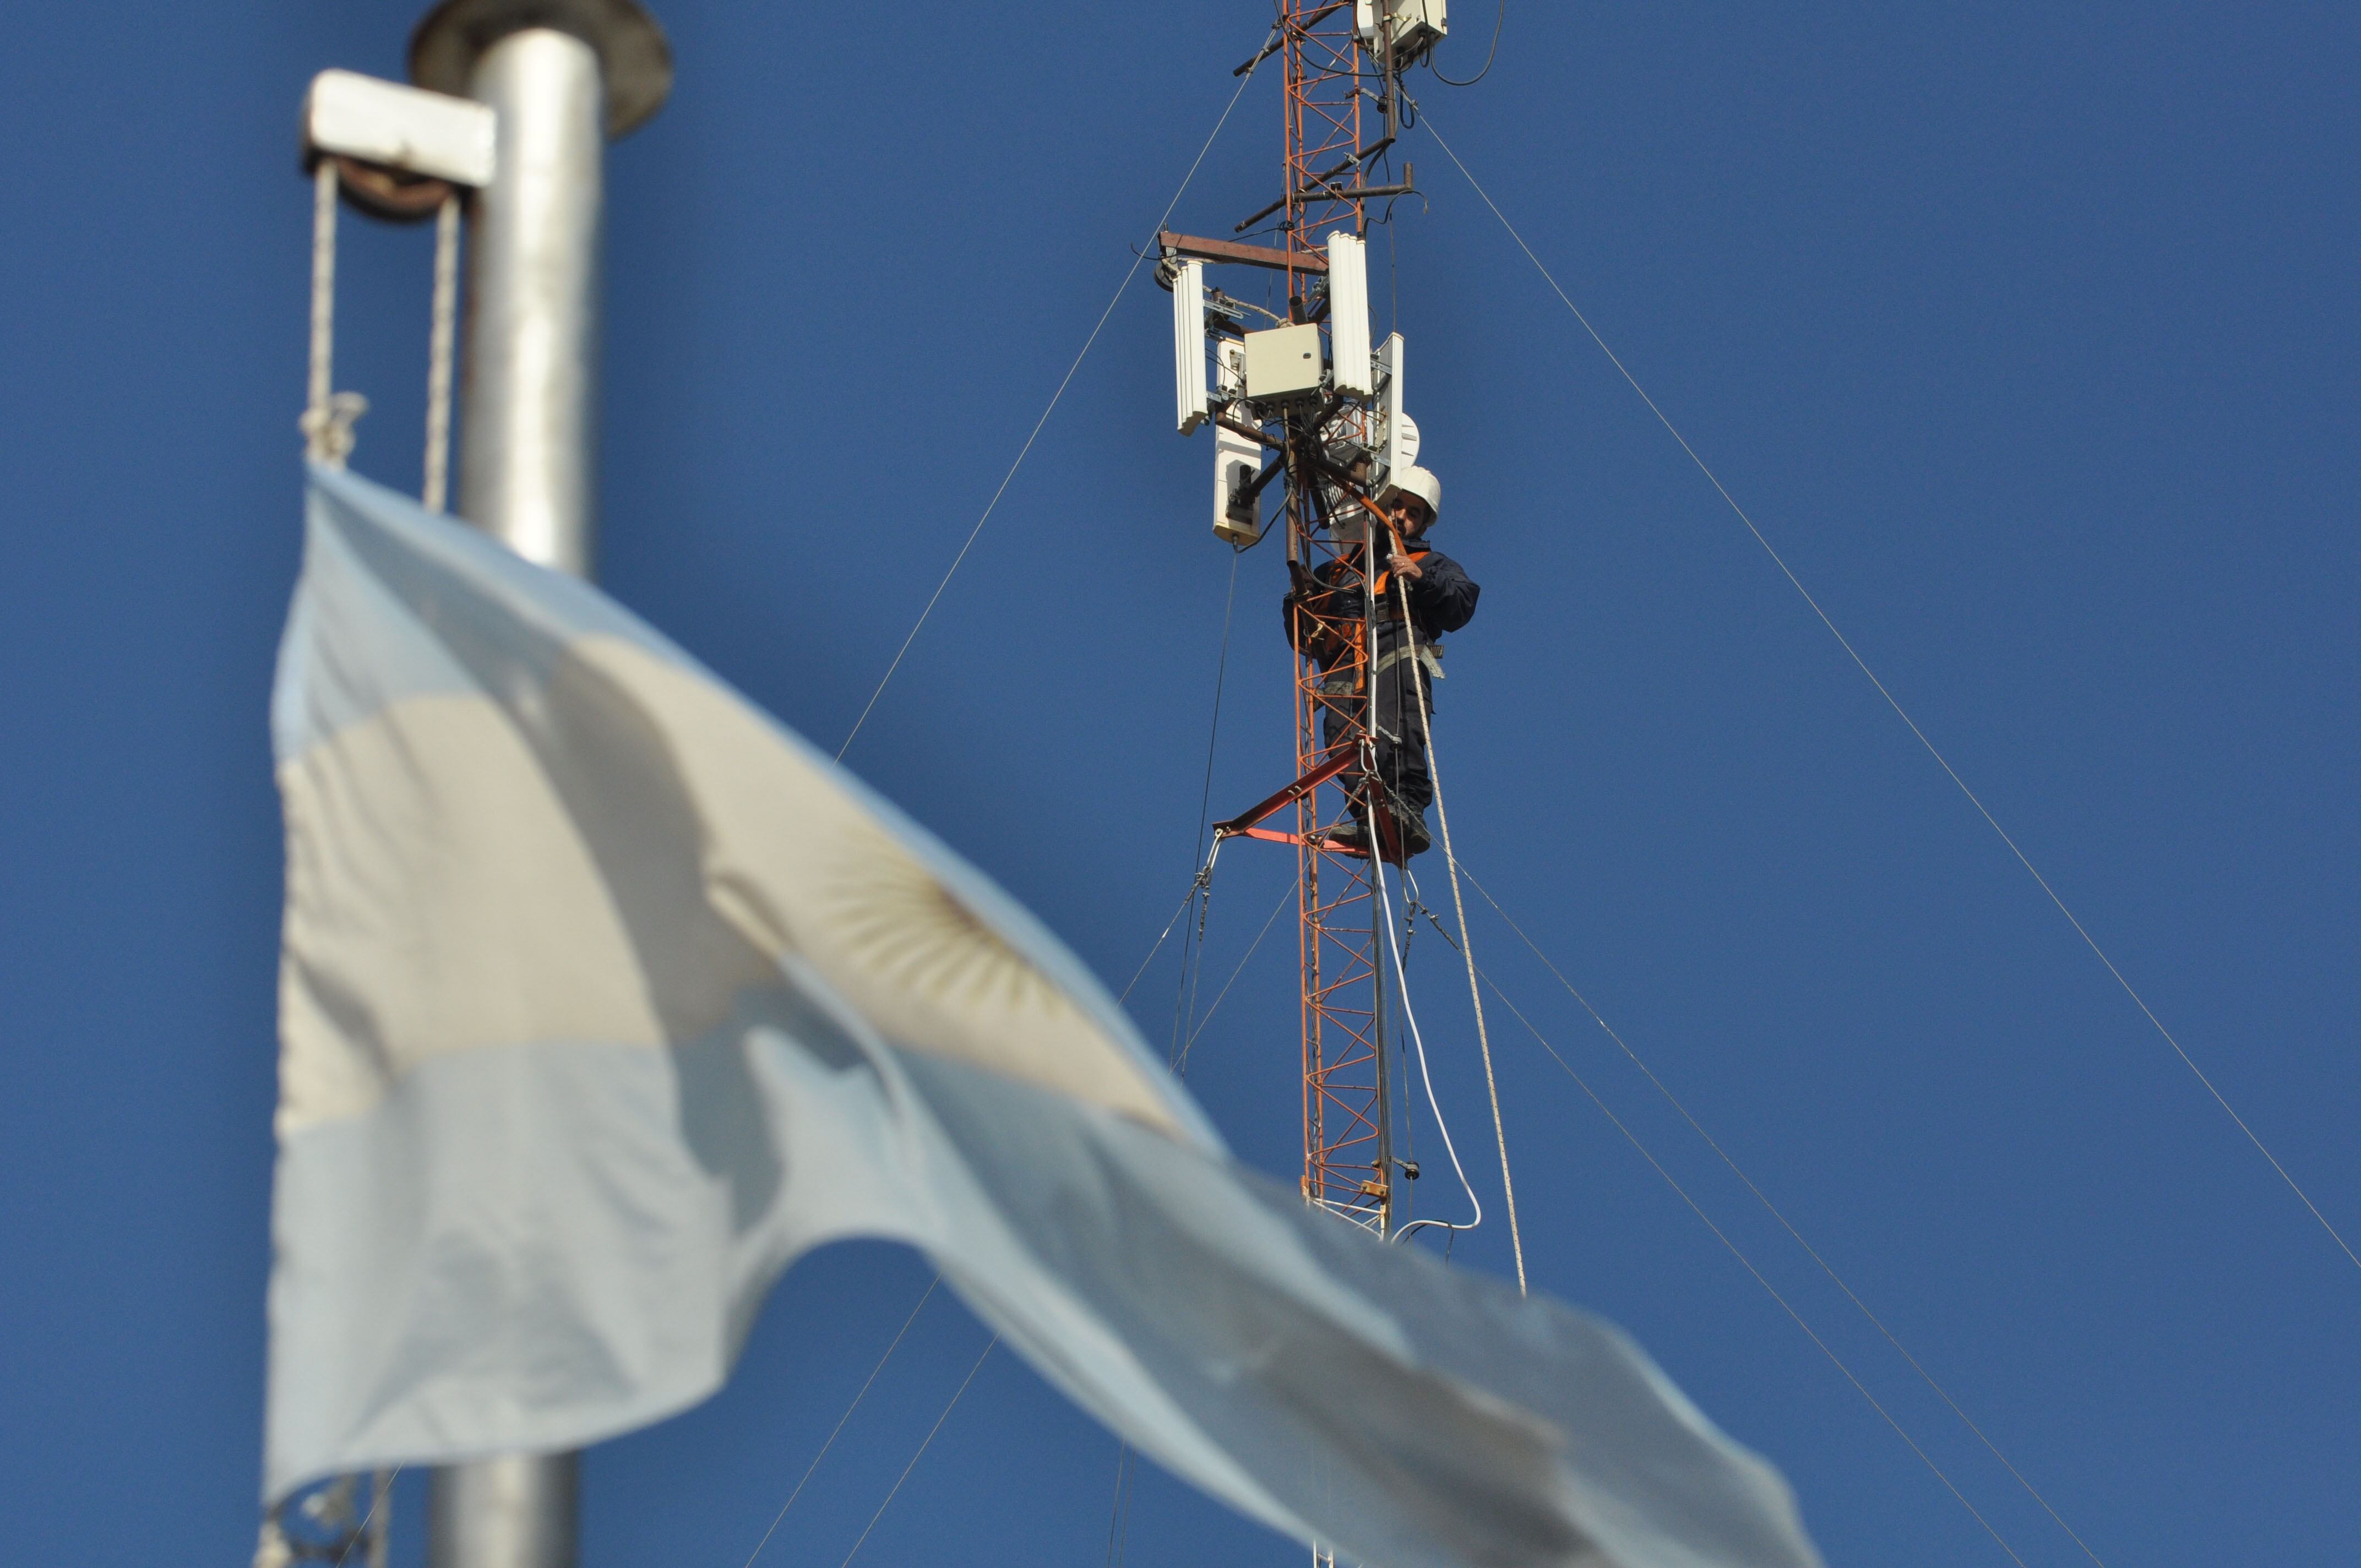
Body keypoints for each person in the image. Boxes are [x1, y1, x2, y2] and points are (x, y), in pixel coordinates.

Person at [1280, 464, 1478, 861]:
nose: (1401, 517)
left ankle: (1406, 811)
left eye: (1413, 512)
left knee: (1397, 722)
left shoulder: (1432, 562)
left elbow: (1461, 604)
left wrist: (1420, 577)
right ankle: (1369, 815)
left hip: (1398, 644)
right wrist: (1301, 601)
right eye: (1398, 506)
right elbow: (1301, 632)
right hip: (1346, 662)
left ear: (1423, 523)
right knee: (1341, 736)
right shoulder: (1338, 570)